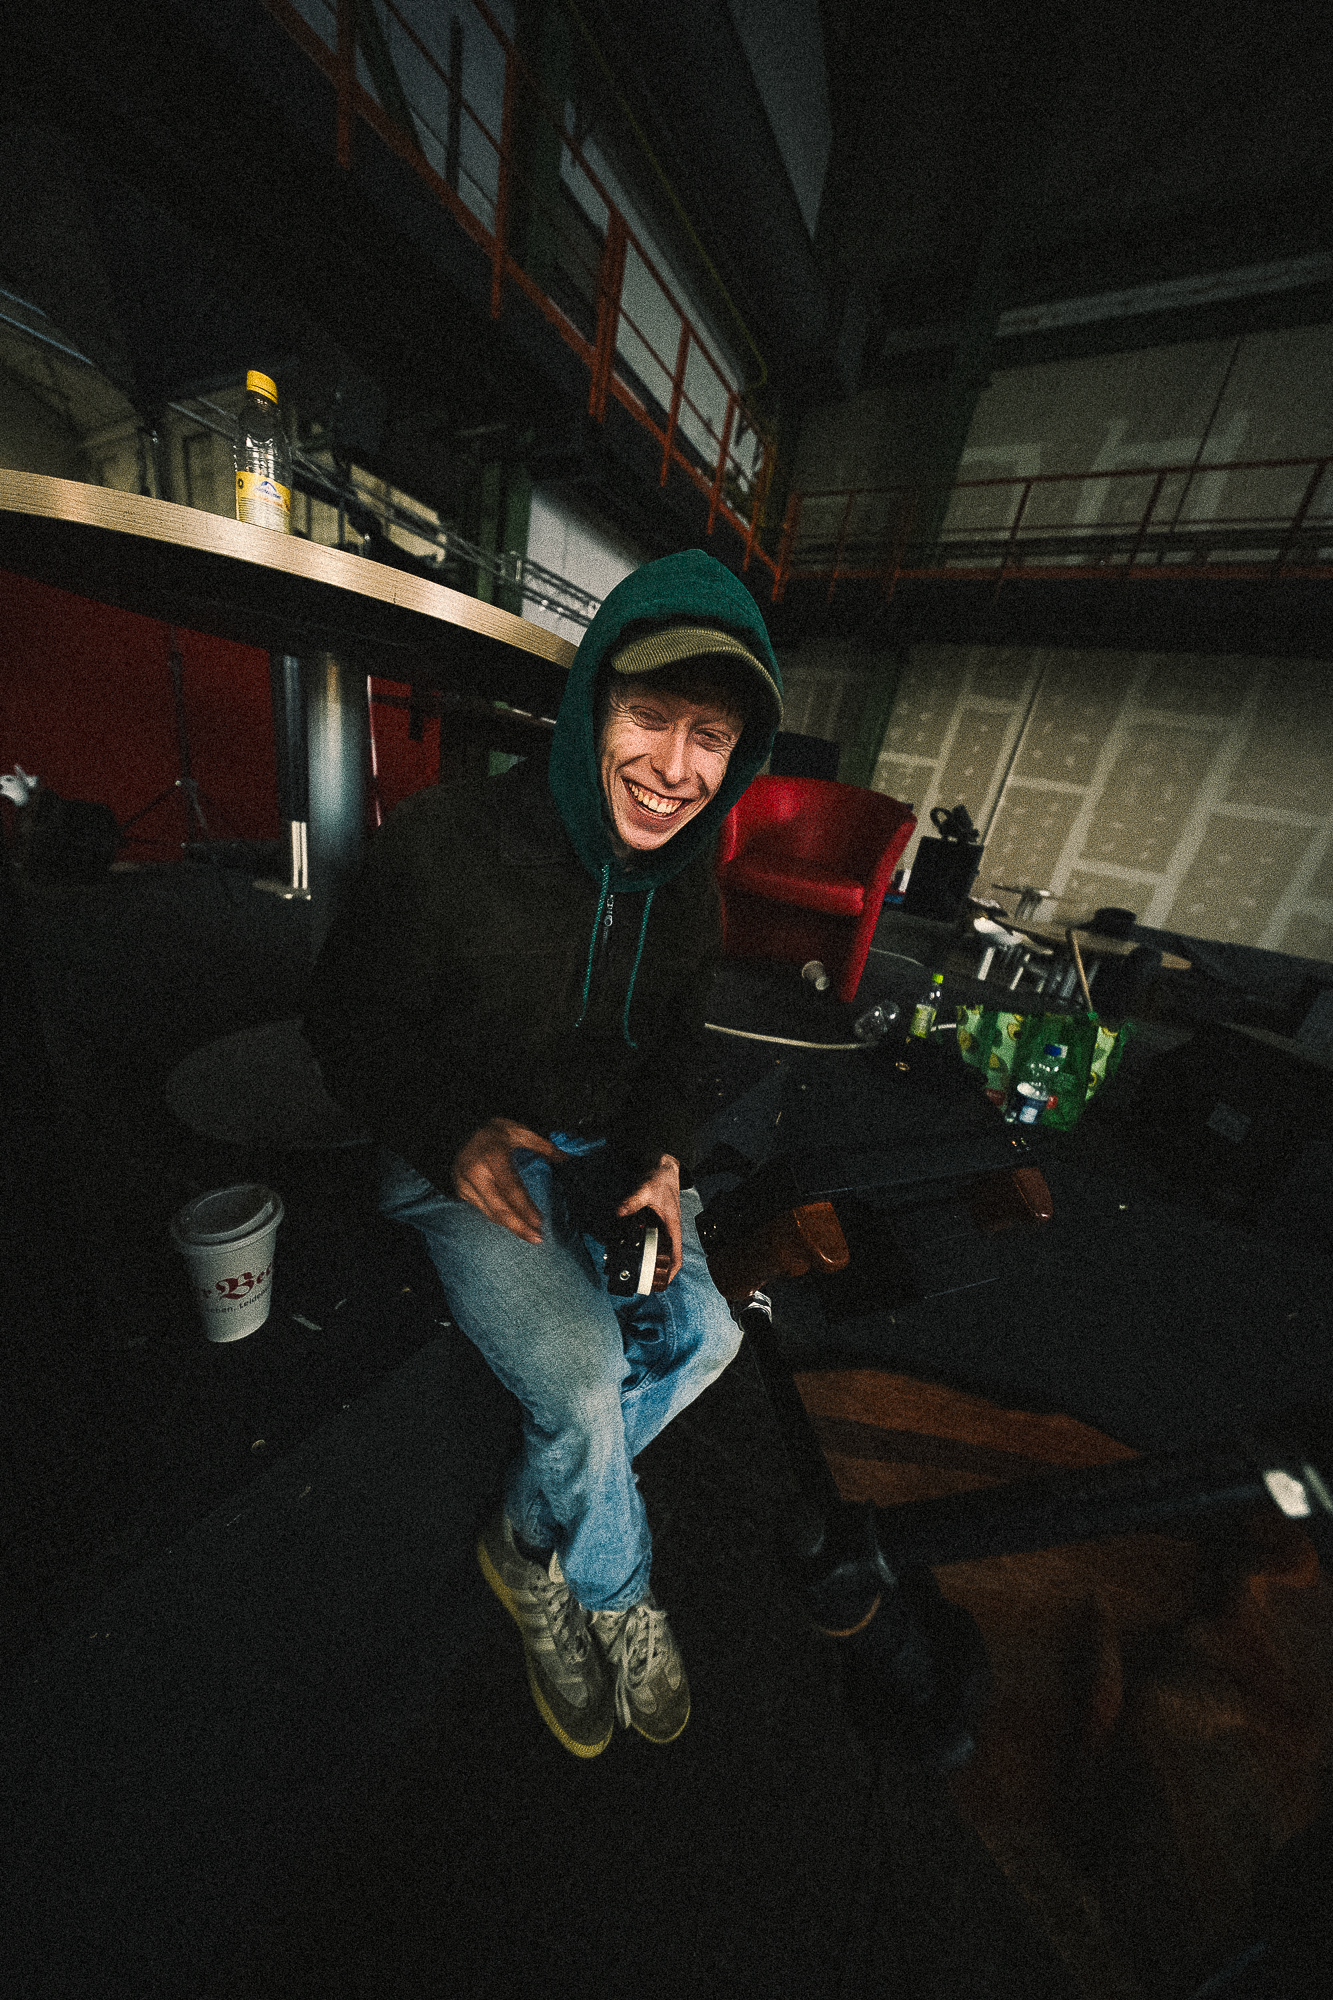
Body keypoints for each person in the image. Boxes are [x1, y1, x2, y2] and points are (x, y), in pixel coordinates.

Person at [301, 548, 783, 1758]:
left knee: (710, 1336)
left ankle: (525, 1544)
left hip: (605, 1148)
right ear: (590, 705)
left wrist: (662, 1158)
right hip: (459, 1148)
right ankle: (612, 1590)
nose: (674, 768)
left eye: (710, 737)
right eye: (649, 715)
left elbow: (673, 1047)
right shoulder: (445, 841)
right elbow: (342, 1023)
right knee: (581, 1383)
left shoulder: (692, 888)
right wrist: (447, 1132)